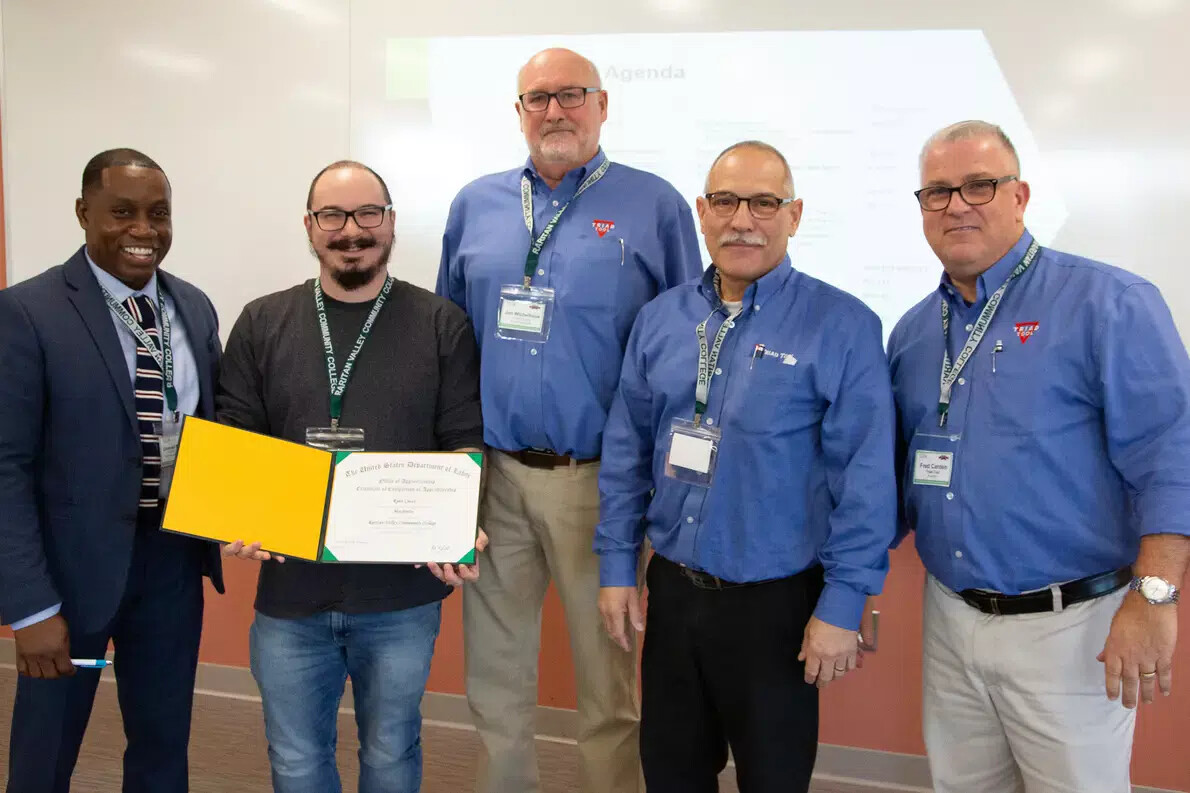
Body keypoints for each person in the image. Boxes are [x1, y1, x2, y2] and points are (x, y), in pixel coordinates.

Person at [887, 120, 1190, 793]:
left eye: (979, 185)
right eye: (937, 191)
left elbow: (1172, 453)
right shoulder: (911, 333)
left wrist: (1156, 596)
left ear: (1020, 196)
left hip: (1071, 628)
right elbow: (895, 478)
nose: (957, 204)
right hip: (951, 617)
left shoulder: (1110, 303)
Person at [436, 47, 703, 793]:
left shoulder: (656, 205)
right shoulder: (475, 204)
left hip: (601, 486)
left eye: (571, 95)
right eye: (537, 98)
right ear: (518, 111)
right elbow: (450, 346)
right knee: (494, 682)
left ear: (603, 104)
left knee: (608, 690)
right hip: (493, 479)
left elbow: (690, 349)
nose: (555, 111)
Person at [595, 140, 895, 793]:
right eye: (726, 201)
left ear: (795, 214)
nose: (742, 219)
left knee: (774, 780)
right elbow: (625, 453)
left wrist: (843, 604)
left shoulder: (841, 325)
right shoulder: (661, 319)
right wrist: (617, 565)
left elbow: (865, 479)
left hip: (778, 607)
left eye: (764, 202)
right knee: (671, 774)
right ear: (701, 211)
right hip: (672, 594)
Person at [217, 160, 486, 793]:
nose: (351, 230)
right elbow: (237, 437)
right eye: (332, 216)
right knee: (295, 761)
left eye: (367, 213)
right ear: (310, 227)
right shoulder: (261, 322)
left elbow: (462, 439)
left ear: (390, 223)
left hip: (399, 601)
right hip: (290, 596)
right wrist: (234, 516)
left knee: (391, 755)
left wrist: (461, 525)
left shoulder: (440, 323)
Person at [0, 148, 224, 793]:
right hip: (69, 577)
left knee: (161, 745)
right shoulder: (28, 312)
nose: (143, 230)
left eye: (158, 214)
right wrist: (30, 607)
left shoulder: (195, 307)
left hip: (171, 565)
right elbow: (6, 468)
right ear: (83, 213)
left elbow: (211, 431)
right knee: (46, 754)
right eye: (122, 212)